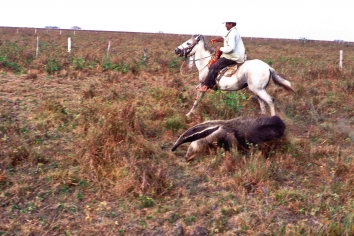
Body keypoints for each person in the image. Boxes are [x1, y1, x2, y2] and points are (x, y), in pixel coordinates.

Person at [197, 21, 246, 92]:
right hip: (236, 54)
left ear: (231, 24)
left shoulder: (232, 33)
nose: (225, 25)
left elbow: (231, 48)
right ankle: (210, 80)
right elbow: (224, 38)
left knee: (214, 65)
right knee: (215, 62)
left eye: (227, 24)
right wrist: (216, 40)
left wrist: (220, 48)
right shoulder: (232, 31)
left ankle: (206, 86)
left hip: (233, 56)